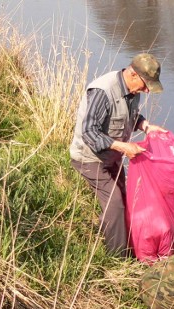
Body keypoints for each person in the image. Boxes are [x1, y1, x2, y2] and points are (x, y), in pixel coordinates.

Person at [70, 53, 168, 257]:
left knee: (125, 199)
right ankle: (117, 259)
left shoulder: (133, 90)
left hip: (111, 156)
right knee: (115, 203)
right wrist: (124, 147)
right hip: (89, 158)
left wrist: (146, 126)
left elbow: (130, 116)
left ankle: (113, 236)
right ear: (133, 73)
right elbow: (90, 132)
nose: (147, 90)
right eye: (145, 84)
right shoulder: (102, 91)